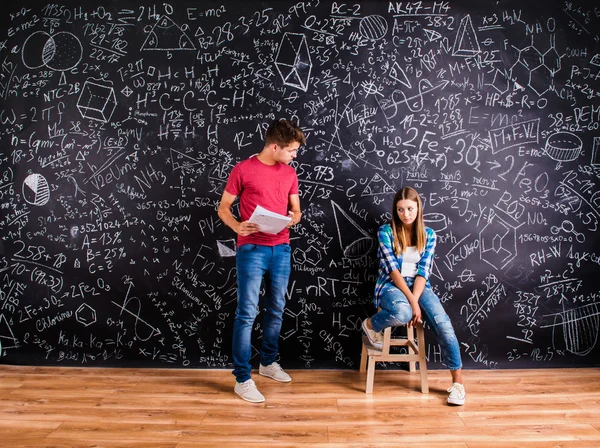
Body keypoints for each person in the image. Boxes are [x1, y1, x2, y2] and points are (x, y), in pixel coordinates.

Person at [217, 119, 306, 403]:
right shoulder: (243, 170)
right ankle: (242, 378)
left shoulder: (290, 173)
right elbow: (223, 208)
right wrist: (237, 226)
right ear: (275, 146)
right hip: (251, 249)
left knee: (277, 309)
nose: (294, 155)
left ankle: (267, 363)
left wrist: (293, 218)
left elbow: (297, 211)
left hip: (280, 248)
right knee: (247, 313)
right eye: (291, 150)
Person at [361, 187, 466, 405]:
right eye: (400, 209)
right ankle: (370, 325)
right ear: (395, 210)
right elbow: (393, 271)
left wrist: (416, 299)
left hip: (418, 287)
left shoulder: (428, 235)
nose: (405, 214)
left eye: (410, 209)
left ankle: (458, 384)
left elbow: (423, 272)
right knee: (402, 312)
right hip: (391, 285)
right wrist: (412, 302)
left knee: (443, 324)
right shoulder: (386, 232)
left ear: (418, 208)